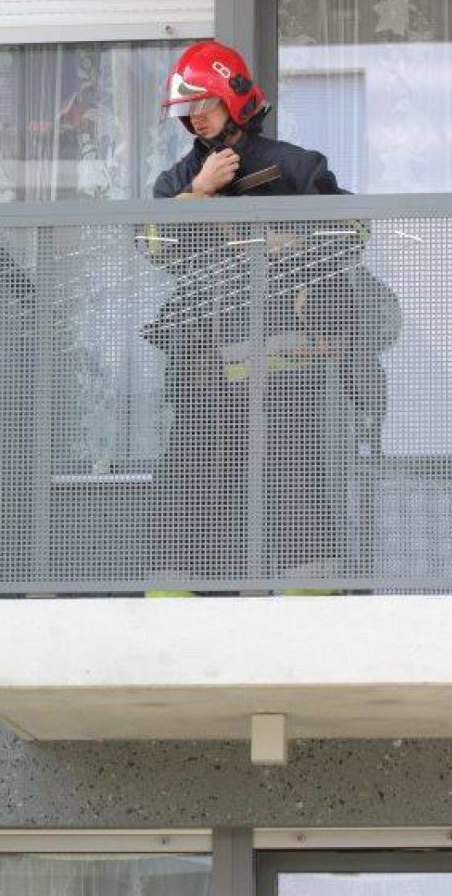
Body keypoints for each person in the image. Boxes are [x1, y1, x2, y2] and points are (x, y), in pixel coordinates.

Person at [149, 40, 360, 580]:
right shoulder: (176, 185)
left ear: (236, 100)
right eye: (187, 109)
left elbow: (355, 234)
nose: (195, 117)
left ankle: (308, 607)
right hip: (202, 377)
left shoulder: (294, 166)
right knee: (193, 487)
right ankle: (183, 603)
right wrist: (198, 194)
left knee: (294, 487)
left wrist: (292, 238)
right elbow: (151, 246)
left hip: (284, 375)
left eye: (206, 103)